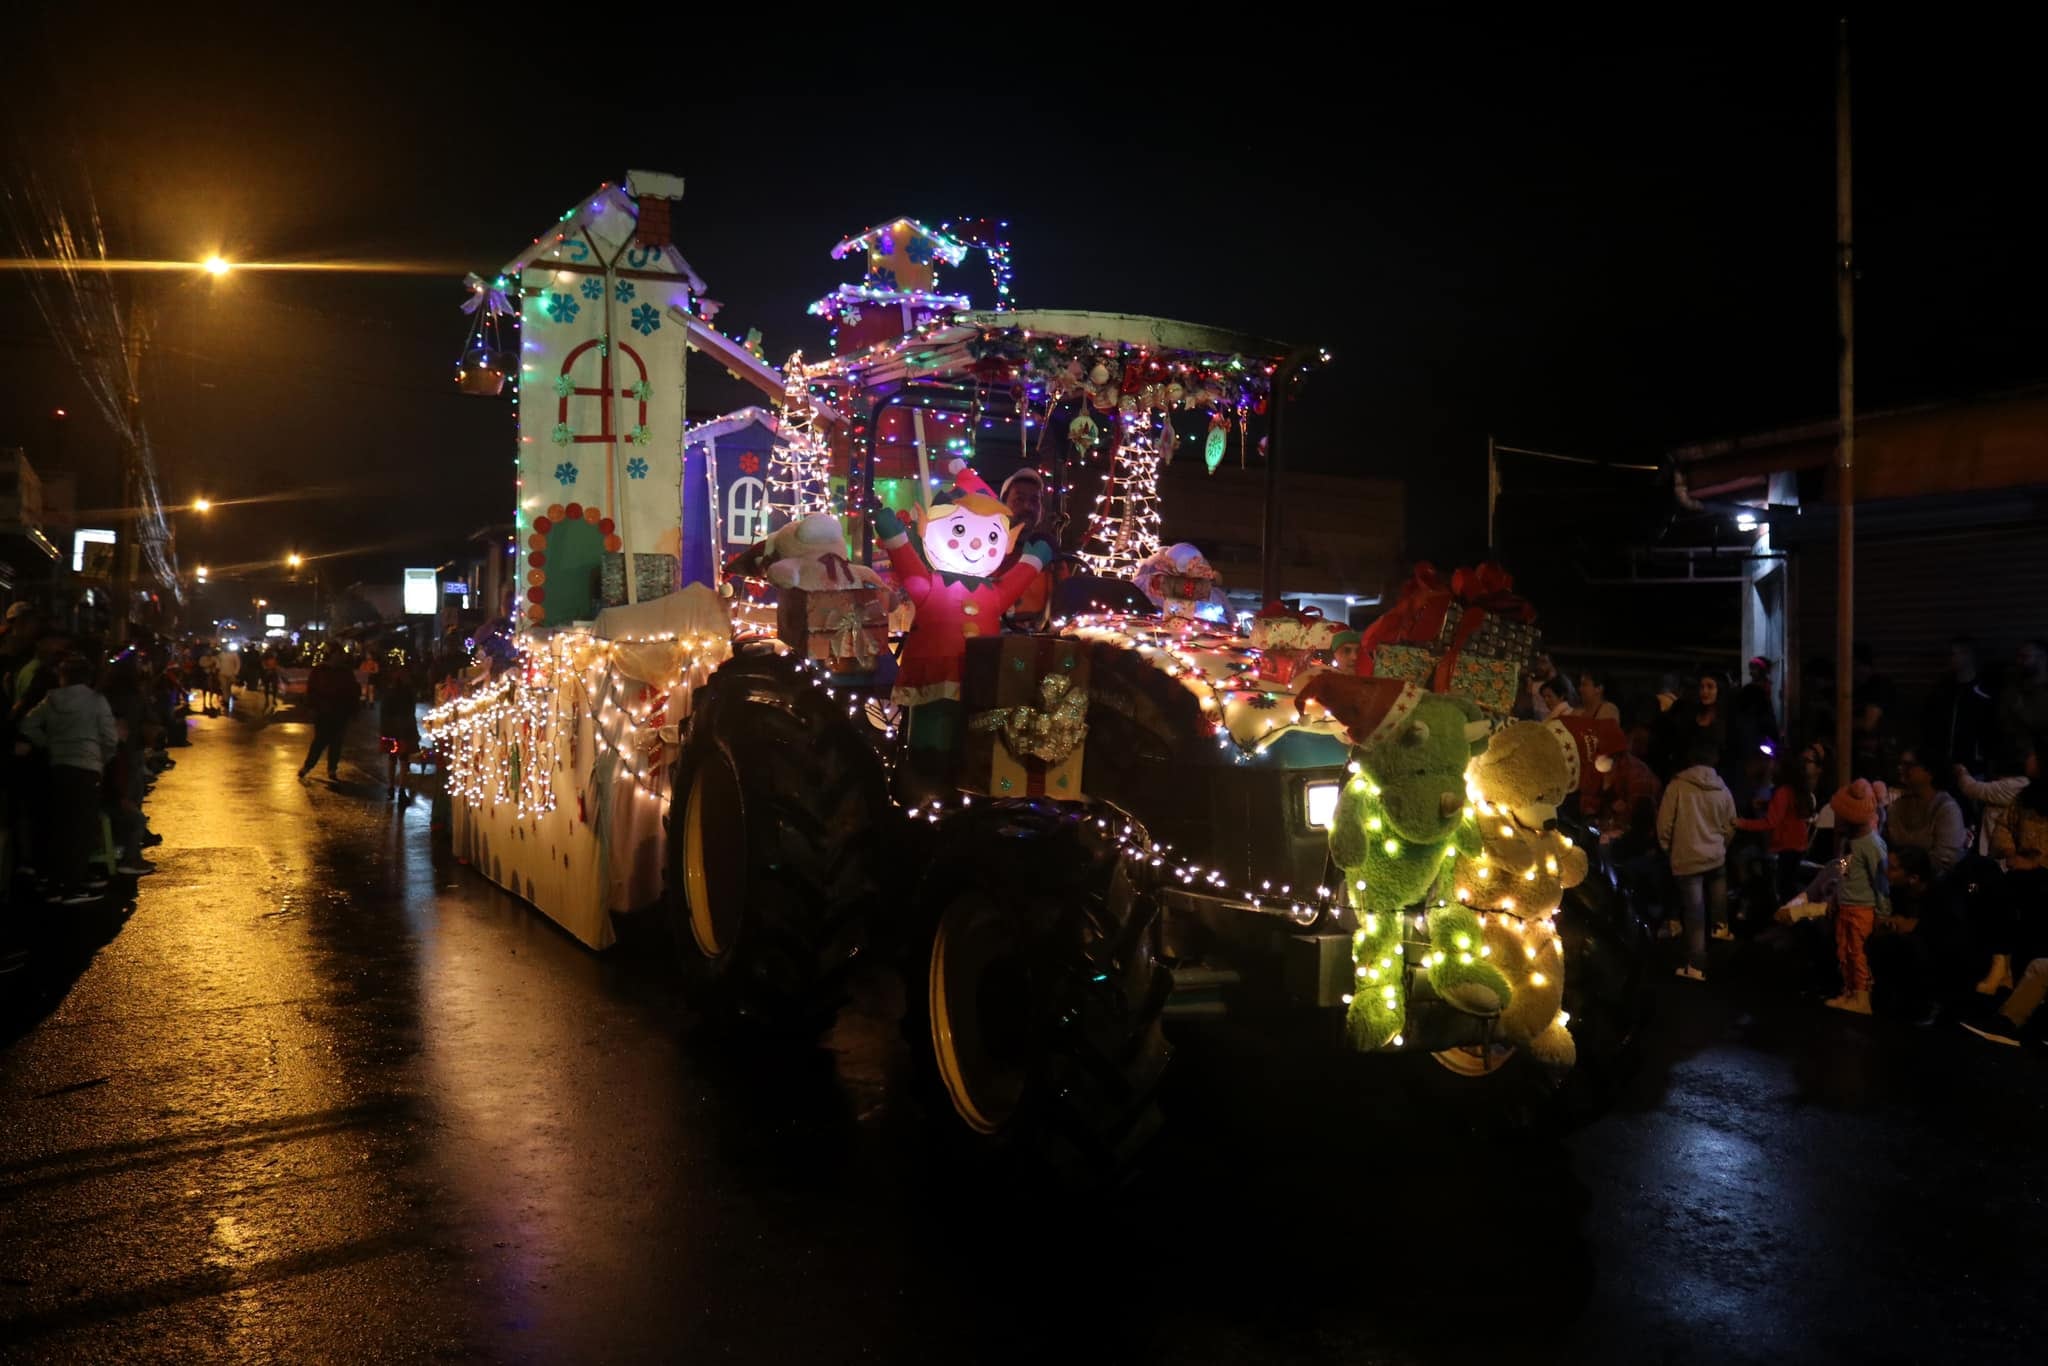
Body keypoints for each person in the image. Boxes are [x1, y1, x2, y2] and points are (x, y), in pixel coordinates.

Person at [17, 655, 118, 904]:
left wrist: (49, 744)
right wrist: (101, 758)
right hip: (87, 768)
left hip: (58, 766)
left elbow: (28, 725)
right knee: (81, 828)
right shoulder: (96, 700)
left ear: (62, 677)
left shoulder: (50, 700)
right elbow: (110, 737)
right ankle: (73, 885)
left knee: (60, 825)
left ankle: (56, 883)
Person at [1659, 738, 1737, 980]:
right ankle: (1721, 936)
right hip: (1715, 856)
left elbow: (1664, 824)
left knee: (1695, 912)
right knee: (1718, 903)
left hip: (1687, 857)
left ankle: (1696, 964)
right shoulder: (1722, 788)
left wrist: (1668, 848)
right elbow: (1731, 824)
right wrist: (1722, 845)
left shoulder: (1677, 786)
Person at [1826, 778, 1889, 1015]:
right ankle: (1850, 992)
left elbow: (1880, 881)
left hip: (1862, 909)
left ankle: (1862, 997)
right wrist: (1836, 895)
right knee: (1845, 951)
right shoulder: (1850, 843)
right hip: (1846, 905)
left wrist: (1882, 912)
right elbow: (1844, 870)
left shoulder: (1872, 845)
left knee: (1859, 954)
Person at [1736, 751, 1816, 905]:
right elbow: (1788, 811)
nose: (1770, 766)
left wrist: (1742, 823)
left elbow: (1770, 822)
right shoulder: (1796, 789)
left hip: (1787, 845)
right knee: (1789, 884)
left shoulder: (1782, 791)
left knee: (1785, 887)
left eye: (1774, 763)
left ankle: (1787, 915)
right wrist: (1767, 804)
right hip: (1798, 844)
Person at [1887, 747, 1967, 881]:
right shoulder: (1897, 806)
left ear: (1929, 772)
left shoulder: (1946, 809)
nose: (1900, 768)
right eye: (1900, 764)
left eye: (1908, 765)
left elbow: (1947, 859)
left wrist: (1905, 868)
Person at [1923, 638, 1994, 775]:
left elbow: (1990, 729)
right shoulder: (1942, 690)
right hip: (1944, 764)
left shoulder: (1984, 691)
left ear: (1968, 655)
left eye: (1954, 654)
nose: (1951, 659)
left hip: (1973, 766)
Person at [300, 651, 361, 781]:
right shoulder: (321, 670)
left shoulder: (344, 672)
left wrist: (353, 710)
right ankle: (309, 766)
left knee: (335, 742)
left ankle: (331, 769)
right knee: (320, 741)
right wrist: (311, 706)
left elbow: (353, 692)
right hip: (325, 712)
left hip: (339, 712)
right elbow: (312, 690)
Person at [1996, 640, 2048, 773]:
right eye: (2019, 657)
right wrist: (2029, 753)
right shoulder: (2013, 691)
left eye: (2025, 656)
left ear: (2042, 658)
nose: (2020, 661)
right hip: (2018, 762)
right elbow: (2008, 726)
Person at [377, 666, 421, 803]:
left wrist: (384, 729)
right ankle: (401, 790)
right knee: (404, 760)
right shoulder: (408, 693)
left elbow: (384, 712)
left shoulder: (389, 692)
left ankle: (391, 788)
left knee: (392, 759)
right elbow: (411, 712)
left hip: (391, 730)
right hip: (405, 730)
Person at [216, 644, 241, 713]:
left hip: (231, 674)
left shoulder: (234, 654)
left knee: (228, 687)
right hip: (222, 673)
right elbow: (218, 662)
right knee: (224, 687)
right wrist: (218, 668)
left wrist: (236, 672)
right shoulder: (221, 654)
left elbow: (238, 664)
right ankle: (226, 701)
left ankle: (227, 699)